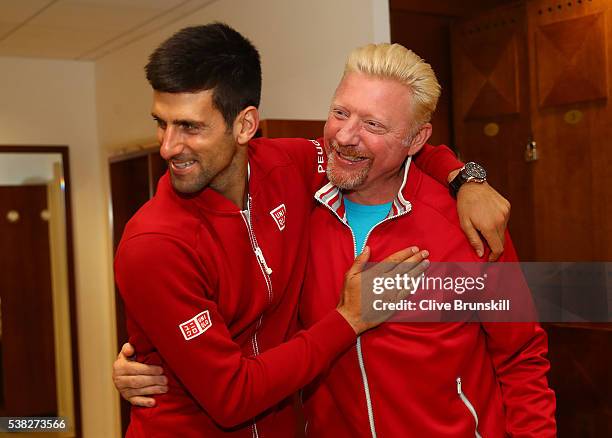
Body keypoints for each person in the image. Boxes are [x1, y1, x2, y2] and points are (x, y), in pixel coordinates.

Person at [113, 24, 513, 437]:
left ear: (246, 125)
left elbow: (390, 144)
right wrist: (349, 318)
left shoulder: (289, 167)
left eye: (190, 127)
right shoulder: (153, 245)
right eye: (162, 124)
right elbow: (231, 396)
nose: (167, 147)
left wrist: (467, 179)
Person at [297, 43, 556, 437]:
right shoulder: (296, 211)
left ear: (416, 140)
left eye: (374, 125)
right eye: (340, 112)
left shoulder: (469, 225)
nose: (346, 136)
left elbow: (521, 356)